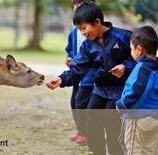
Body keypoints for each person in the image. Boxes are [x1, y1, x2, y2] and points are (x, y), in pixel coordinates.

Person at [46, 2, 136, 155]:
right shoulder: (88, 46)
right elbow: (77, 69)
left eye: (84, 28)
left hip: (119, 92)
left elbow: (139, 59)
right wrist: (62, 79)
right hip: (99, 90)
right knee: (92, 127)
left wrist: (125, 66)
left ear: (97, 22)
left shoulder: (123, 36)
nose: (82, 33)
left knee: (113, 129)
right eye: (79, 29)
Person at [116, 26, 158, 155]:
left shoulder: (143, 68)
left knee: (134, 149)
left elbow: (137, 91)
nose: (131, 52)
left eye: (131, 49)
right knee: (149, 150)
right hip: (155, 118)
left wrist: (122, 105)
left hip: (138, 118)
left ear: (139, 49)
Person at [65, 0, 96, 145]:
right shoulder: (74, 32)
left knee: (83, 102)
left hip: (90, 76)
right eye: (76, 10)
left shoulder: (95, 31)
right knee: (74, 102)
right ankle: (81, 131)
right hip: (76, 74)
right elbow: (70, 49)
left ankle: (88, 133)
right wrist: (69, 58)